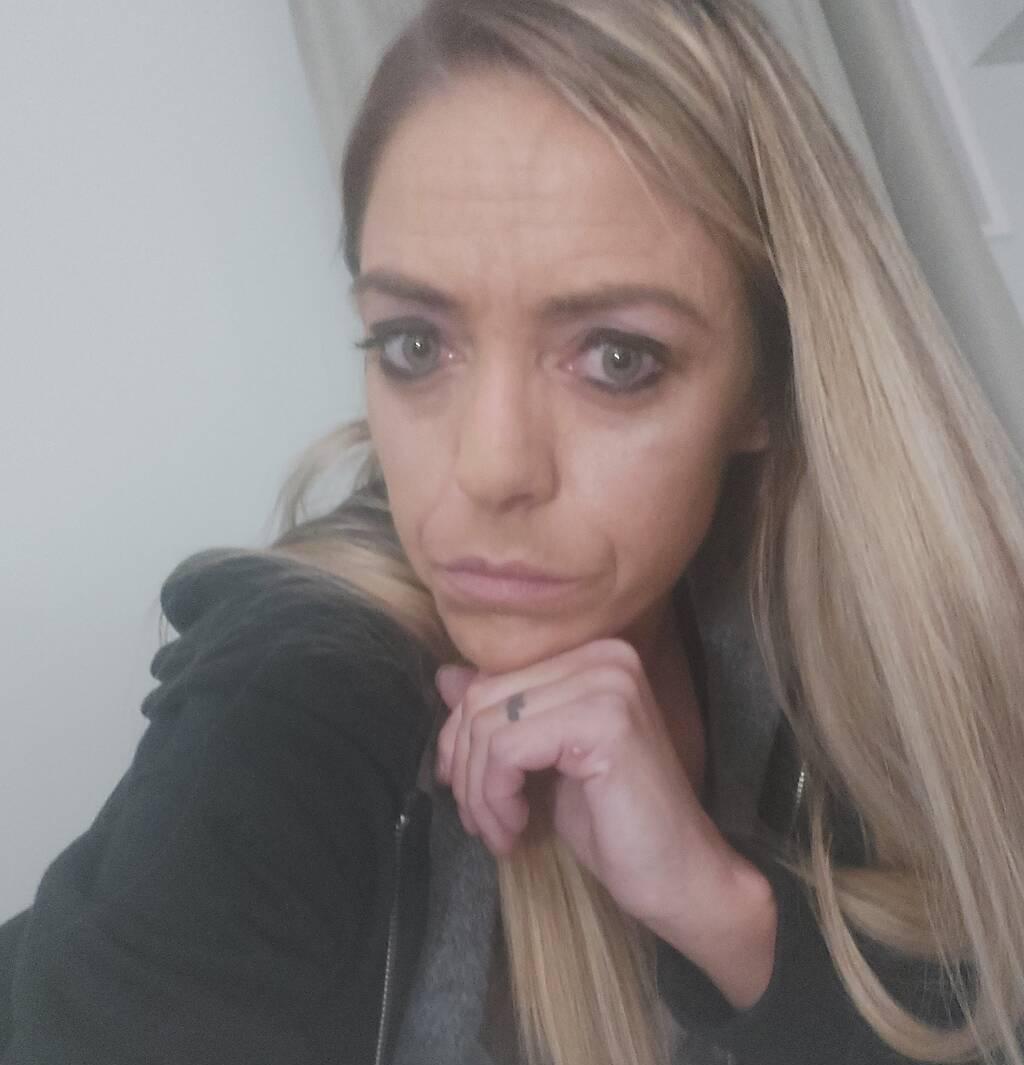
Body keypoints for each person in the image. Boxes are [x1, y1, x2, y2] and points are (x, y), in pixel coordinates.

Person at [2, 0, 1023, 1062]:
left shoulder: (853, 644)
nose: (489, 468)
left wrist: (723, 910)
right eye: (414, 344)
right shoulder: (292, 702)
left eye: (617, 357)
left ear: (766, 386)